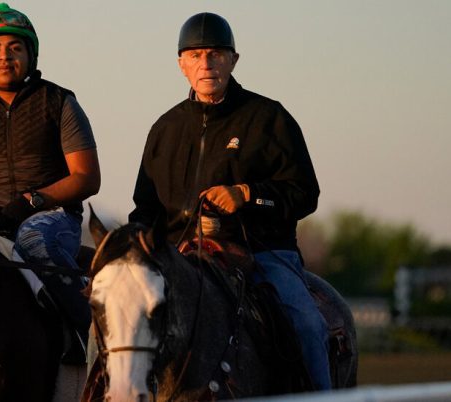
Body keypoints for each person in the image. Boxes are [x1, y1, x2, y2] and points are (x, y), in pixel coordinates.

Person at [128, 12, 331, 390]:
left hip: (262, 254)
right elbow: (145, 209)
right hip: (179, 257)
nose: (207, 64)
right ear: (181, 65)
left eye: (217, 54)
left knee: (305, 322)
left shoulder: (269, 118)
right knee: (116, 319)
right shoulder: (164, 129)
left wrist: (248, 195)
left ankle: (323, 400)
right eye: (196, 55)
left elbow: (305, 193)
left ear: (234, 60)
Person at [0, 3, 100, 365]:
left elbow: (87, 177)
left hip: (51, 216)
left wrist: (31, 202)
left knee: (33, 238)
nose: (4, 56)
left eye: (15, 47)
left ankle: (86, 341)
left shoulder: (60, 102)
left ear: (31, 54)